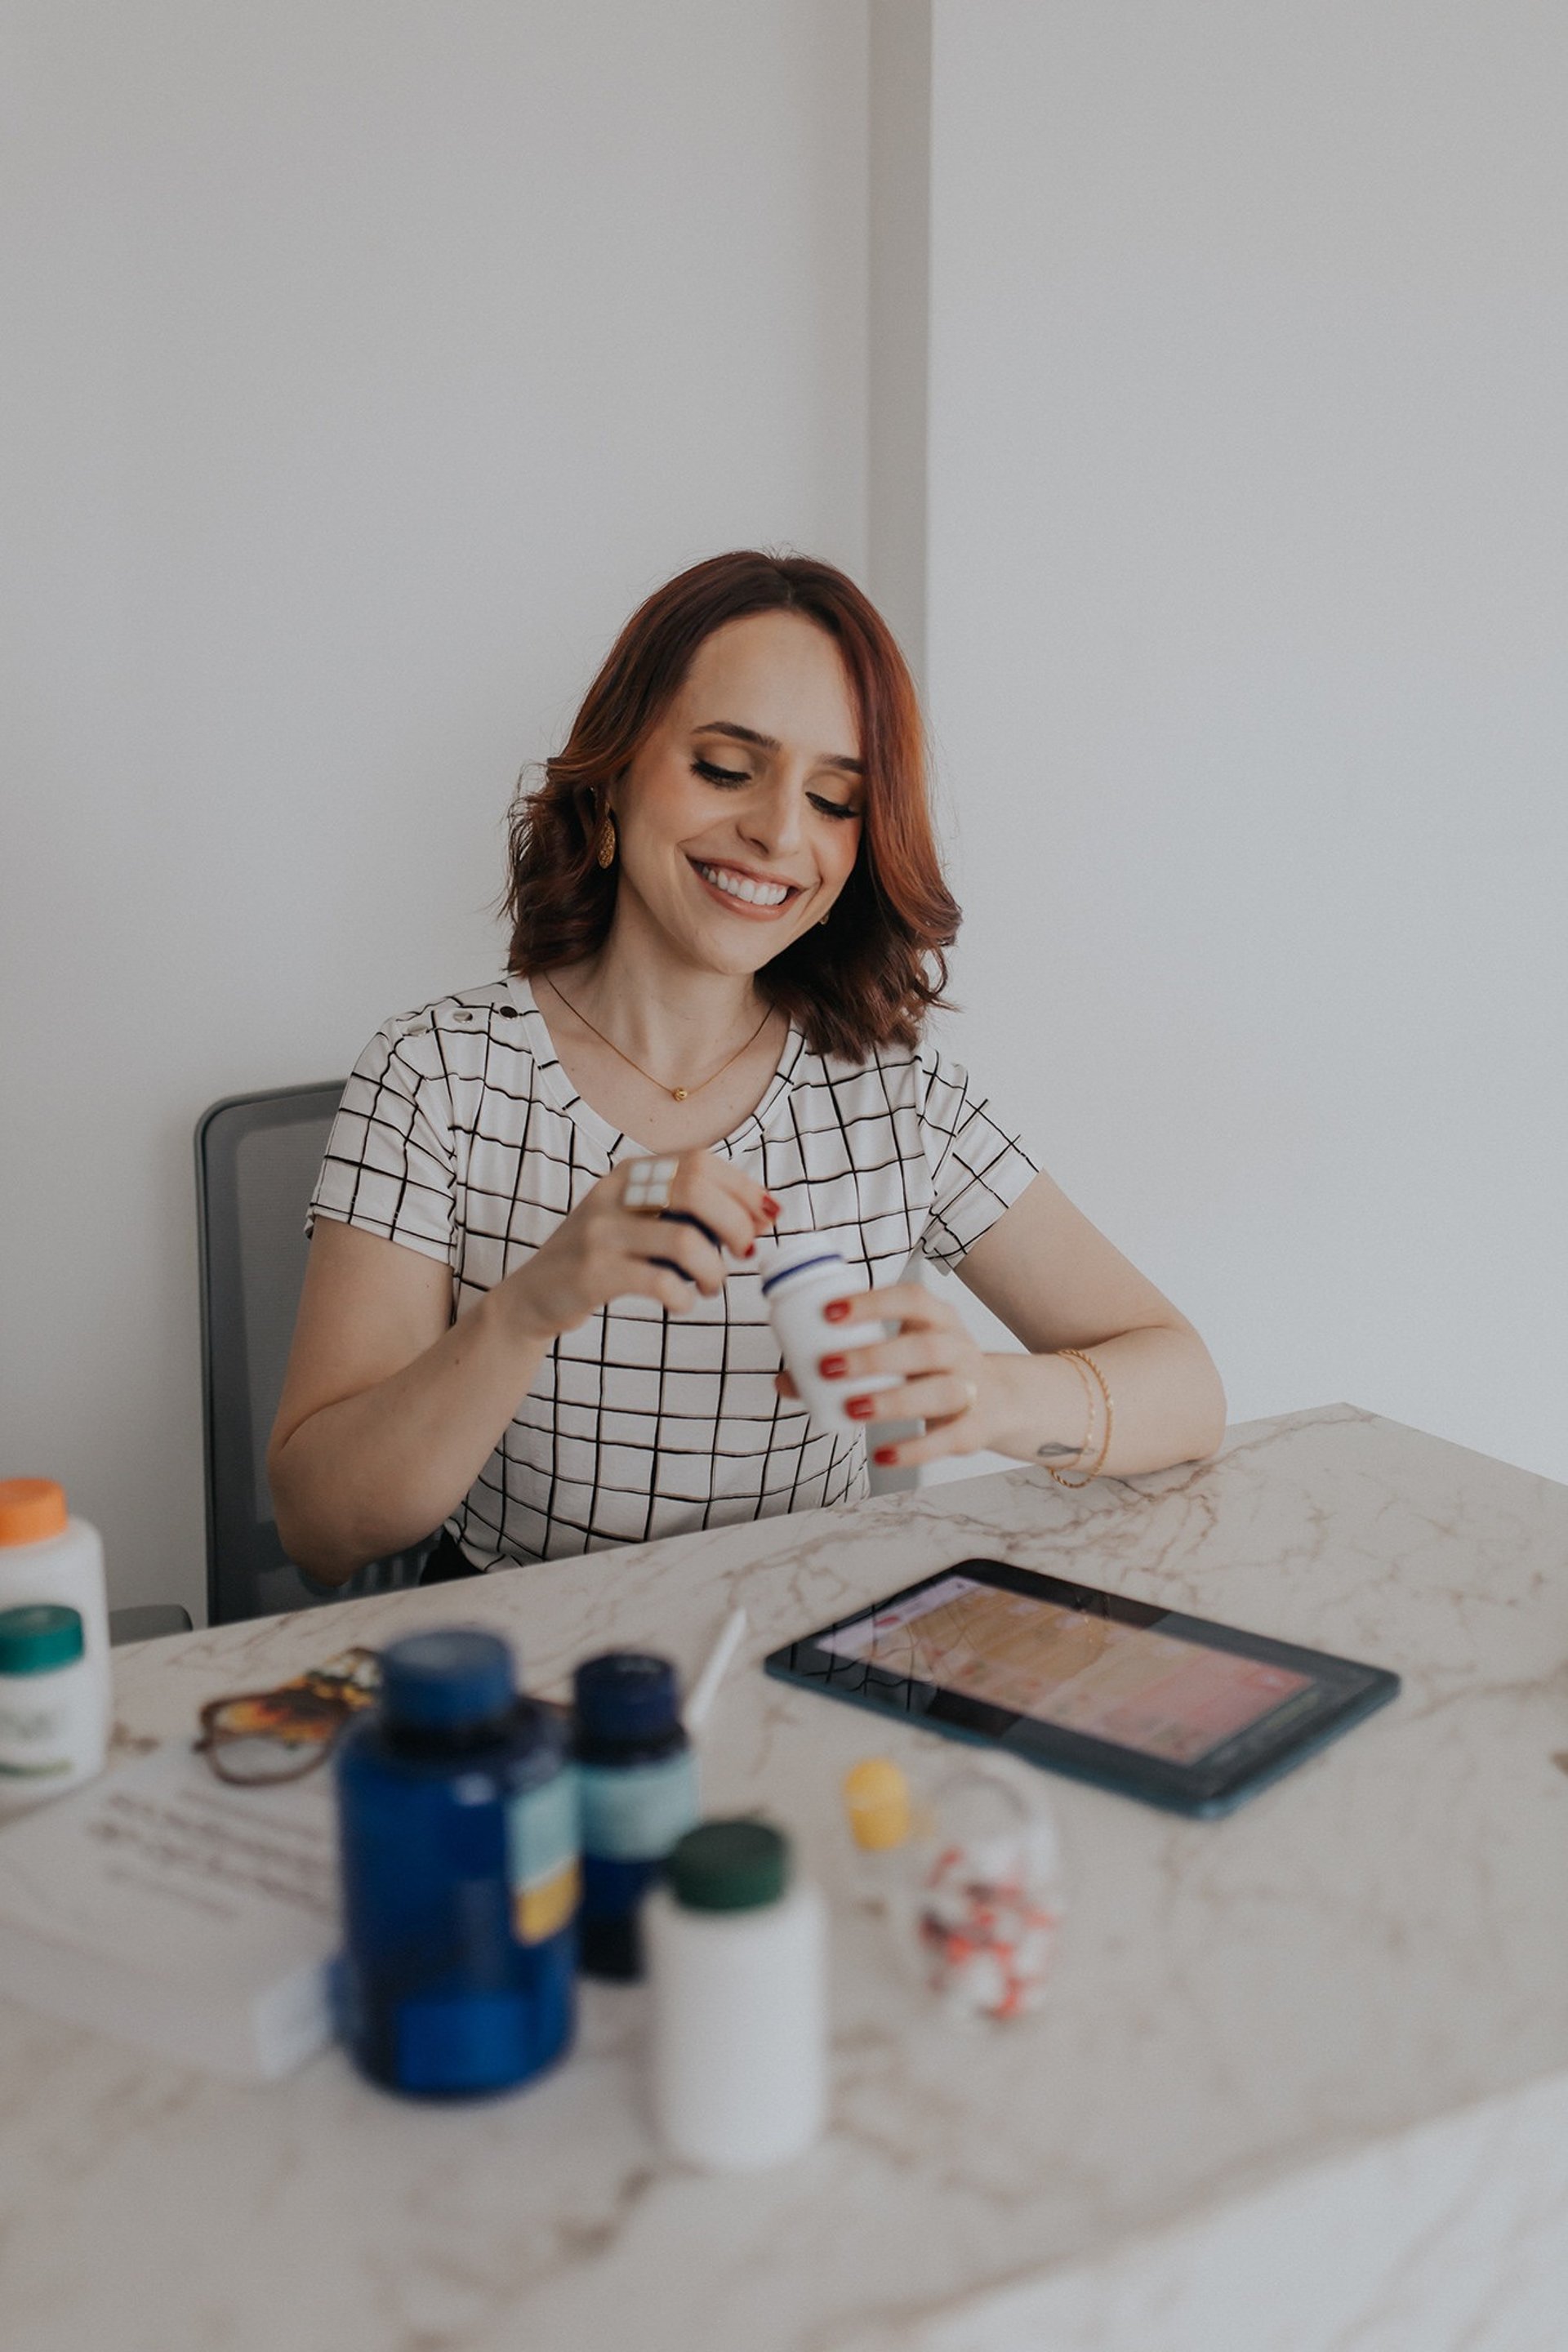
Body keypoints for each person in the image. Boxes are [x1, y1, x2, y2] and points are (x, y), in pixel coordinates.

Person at [269, 551, 1225, 1585]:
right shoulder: (436, 1077)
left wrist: (990, 1395)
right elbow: (325, 1528)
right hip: (523, 1669)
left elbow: (1190, 1392)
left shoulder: (895, 1096)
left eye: (834, 800)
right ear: (616, 777)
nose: (777, 833)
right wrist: (531, 1302)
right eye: (727, 768)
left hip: (797, 1651)